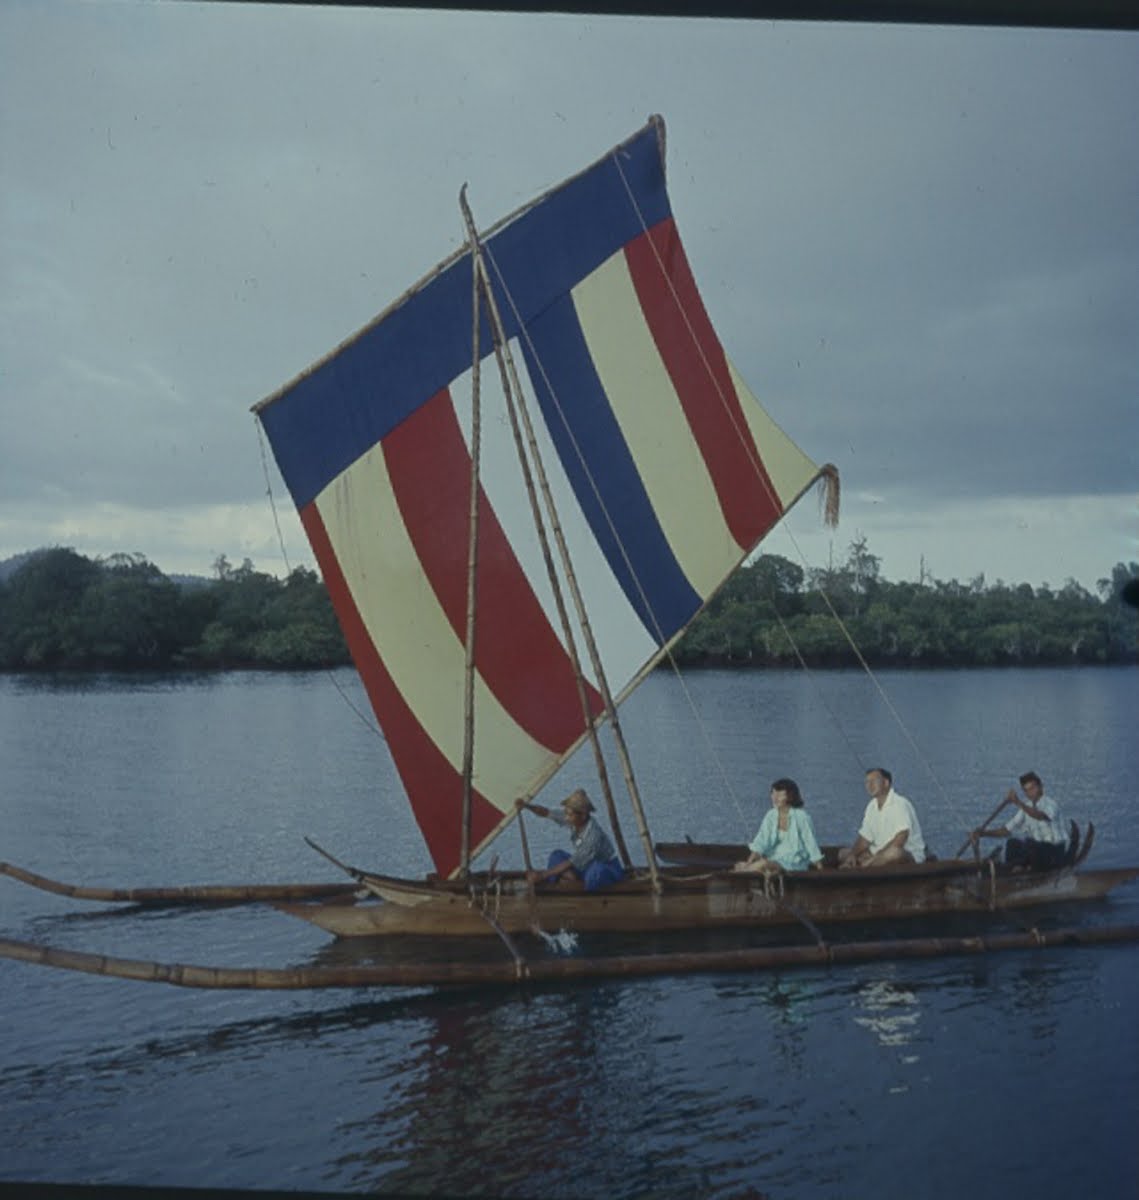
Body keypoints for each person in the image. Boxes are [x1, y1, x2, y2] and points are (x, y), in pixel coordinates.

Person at [514, 789, 625, 890]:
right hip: (584, 866)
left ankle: (578, 887)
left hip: (606, 867)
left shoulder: (593, 835)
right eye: (566, 813)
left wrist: (542, 875)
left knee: (595, 873)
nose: (566, 818)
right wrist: (526, 806)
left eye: (569, 815)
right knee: (556, 855)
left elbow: (574, 860)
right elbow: (546, 812)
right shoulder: (573, 819)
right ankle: (571, 879)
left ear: (583, 816)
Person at [968, 771, 1068, 869]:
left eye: (1033, 788)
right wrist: (983, 833)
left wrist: (1017, 802)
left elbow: (1039, 815)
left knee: (1031, 844)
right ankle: (1010, 871)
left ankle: (1018, 868)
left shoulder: (1050, 804)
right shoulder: (1026, 807)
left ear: (1041, 787)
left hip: (1055, 852)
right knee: (1012, 843)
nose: (1030, 793)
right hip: (1038, 851)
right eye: (1026, 790)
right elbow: (1006, 831)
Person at [839, 767, 926, 868]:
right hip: (879, 853)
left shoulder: (899, 804)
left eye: (874, 781)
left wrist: (876, 857)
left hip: (907, 854)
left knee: (894, 853)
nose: (869, 785)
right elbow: (864, 838)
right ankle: (864, 863)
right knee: (843, 853)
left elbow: (900, 840)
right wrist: (852, 855)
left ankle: (864, 867)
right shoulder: (871, 806)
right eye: (867, 782)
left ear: (886, 783)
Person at [733, 778, 824, 873]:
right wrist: (749, 862)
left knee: (762, 864)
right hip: (774, 859)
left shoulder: (802, 816)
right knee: (740, 864)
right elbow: (761, 842)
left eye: (779, 794)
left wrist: (820, 868)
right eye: (773, 793)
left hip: (794, 862)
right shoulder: (770, 815)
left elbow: (810, 842)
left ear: (791, 796)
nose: (774, 798)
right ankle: (745, 870)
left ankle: (742, 872)